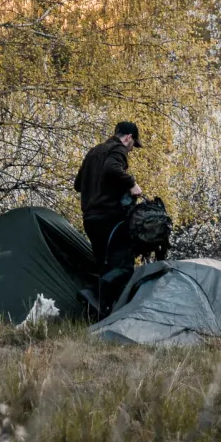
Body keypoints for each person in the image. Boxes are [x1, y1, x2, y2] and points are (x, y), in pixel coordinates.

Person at [74, 121, 143, 312]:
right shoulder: (117, 150)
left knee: (104, 266)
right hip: (110, 219)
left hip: (90, 219)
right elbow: (112, 168)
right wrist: (131, 184)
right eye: (133, 145)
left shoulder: (93, 152)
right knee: (124, 266)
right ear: (128, 137)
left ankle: (100, 313)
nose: (131, 150)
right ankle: (93, 293)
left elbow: (78, 184)